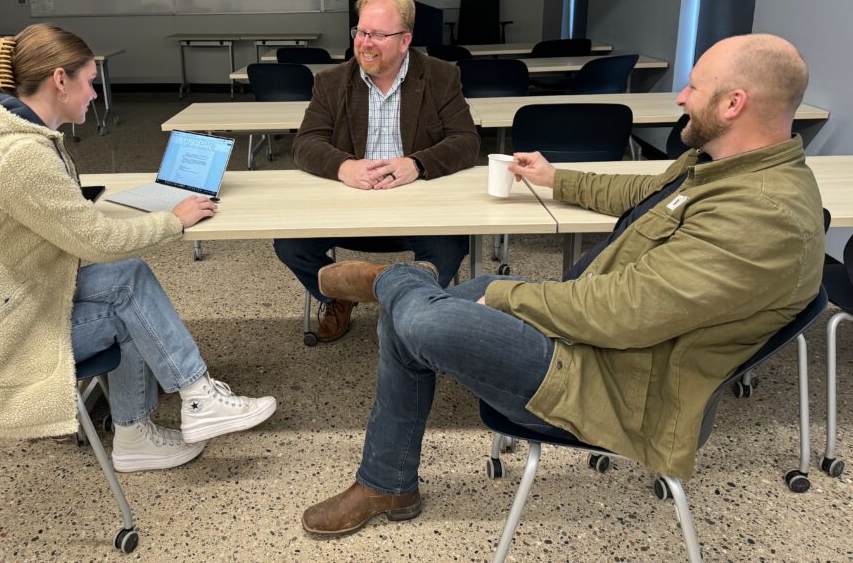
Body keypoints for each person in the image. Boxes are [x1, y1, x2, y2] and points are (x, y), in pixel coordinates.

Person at [301, 33, 824, 535]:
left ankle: (394, 279)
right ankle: (387, 484)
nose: (681, 97)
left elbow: (624, 312)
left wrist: (506, 295)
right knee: (411, 315)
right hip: (597, 343)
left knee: (422, 317)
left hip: (615, 388)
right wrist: (557, 178)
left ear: (733, 104)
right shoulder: (724, 169)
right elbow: (645, 194)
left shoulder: (762, 213)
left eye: (694, 87)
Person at [0, 24, 276, 474]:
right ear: (59, 80)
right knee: (129, 295)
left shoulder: (7, 132)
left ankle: (169, 413)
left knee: (129, 278)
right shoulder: (18, 155)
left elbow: (68, 228)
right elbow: (98, 243)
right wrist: (174, 220)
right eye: (88, 81)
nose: (95, 94)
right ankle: (184, 404)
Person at [273, 0, 480, 343]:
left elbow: (466, 141)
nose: (366, 43)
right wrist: (344, 167)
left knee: (450, 246)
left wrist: (417, 164)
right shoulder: (332, 81)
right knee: (289, 244)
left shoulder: (441, 76)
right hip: (348, 205)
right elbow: (305, 143)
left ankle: (406, 306)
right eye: (361, 32)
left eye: (378, 35)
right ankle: (341, 295)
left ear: (405, 41)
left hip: (417, 205)